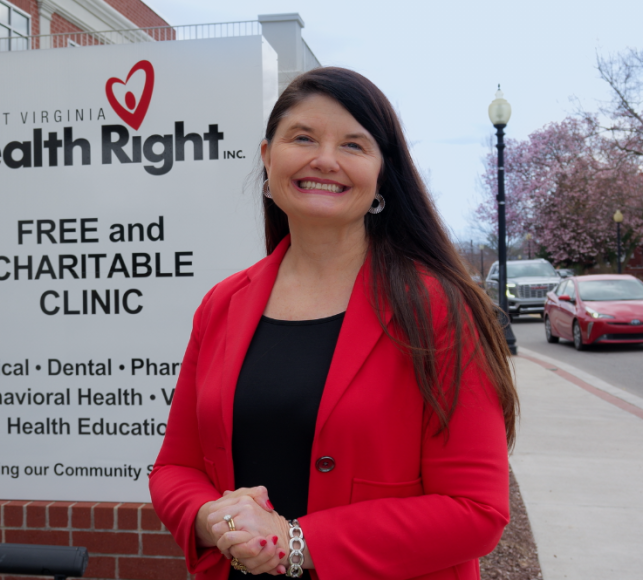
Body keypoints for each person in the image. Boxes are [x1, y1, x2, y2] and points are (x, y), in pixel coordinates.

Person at [148, 67, 518, 580]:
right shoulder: (222, 304)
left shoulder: (438, 309)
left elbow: (476, 511)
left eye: (353, 144)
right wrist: (213, 519)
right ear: (267, 158)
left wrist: (293, 541)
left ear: (382, 174)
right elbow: (175, 468)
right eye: (303, 137)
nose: (325, 159)